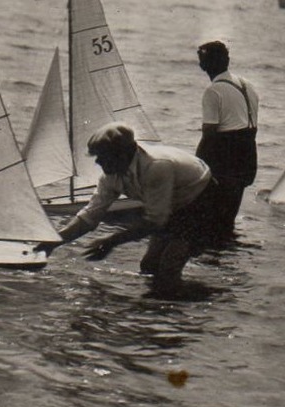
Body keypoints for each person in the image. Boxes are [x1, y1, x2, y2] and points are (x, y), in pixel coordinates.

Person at [47, 123, 223, 298]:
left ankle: (207, 301)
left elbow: (156, 221)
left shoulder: (156, 166)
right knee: (149, 266)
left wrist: (111, 241)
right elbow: (90, 215)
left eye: (102, 156)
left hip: (203, 199)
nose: (98, 162)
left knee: (169, 267)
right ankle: (157, 305)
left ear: (123, 155)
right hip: (171, 202)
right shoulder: (111, 175)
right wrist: (53, 242)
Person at [195, 40, 258, 242]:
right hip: (248, 155)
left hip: (226, 158)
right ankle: (228, 257)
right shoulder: (248, 85)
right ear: (227, 61)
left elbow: (210, 135)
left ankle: (216, 260)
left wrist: (197, 166)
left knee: (210, 219)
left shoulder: (213, 91)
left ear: (203, 65)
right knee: (227, 219)